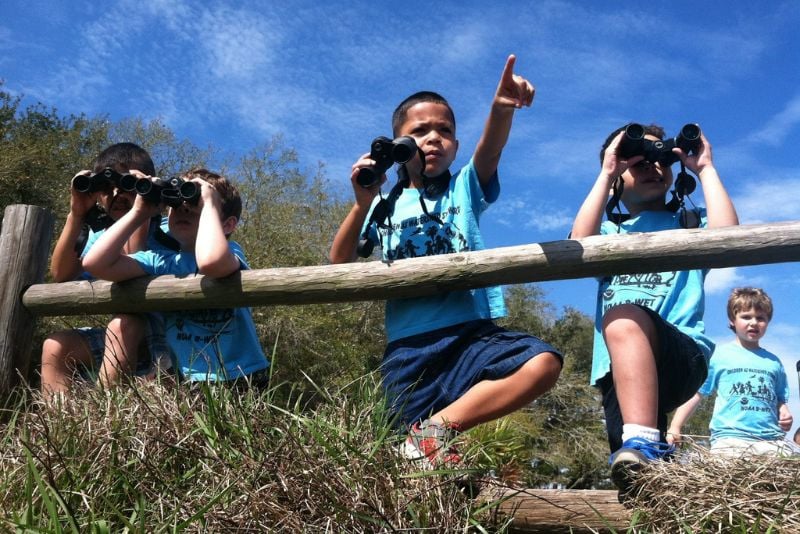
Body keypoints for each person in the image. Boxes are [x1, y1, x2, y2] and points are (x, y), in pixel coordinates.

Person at [329, 55, 562, 466]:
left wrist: (501, 108)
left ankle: (435, 431)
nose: (434, 138)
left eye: (445, 131)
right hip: (407, 346)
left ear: (455, 145)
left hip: (470, 333)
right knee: (395, 463)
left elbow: (490, 151)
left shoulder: (463, 190)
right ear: (398, 147)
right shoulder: (383, 206)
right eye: (419, 132)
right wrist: (361, 204)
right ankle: (426, 450)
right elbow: (339, 264)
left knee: (541, 362)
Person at [570, 123, 739, 494]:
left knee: (623, 316)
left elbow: (731, 236)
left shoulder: (687, 225)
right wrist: (607, 172)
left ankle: (645, 439)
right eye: (638, 162)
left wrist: (705, 168)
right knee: (635, 475)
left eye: (660, 159)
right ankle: (652, 467)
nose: (652, 167)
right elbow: (578, 245)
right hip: (619, 372)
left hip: (680, 355)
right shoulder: (610, 236)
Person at [83, 169, 269, 383]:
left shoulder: (231, 252)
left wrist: (209, 202)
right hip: (187, 378)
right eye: (176, 203)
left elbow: (209, 261)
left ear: (227, 224)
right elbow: (96, 264)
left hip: (242, 375)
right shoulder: (162, 261)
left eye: (193, 201)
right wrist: (139, 213)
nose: (184, 207)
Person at [40, 143, 173, 396]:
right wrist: (76, 213)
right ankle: (61, 426)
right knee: (56, 346)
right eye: (106, 187)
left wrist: (141, 207)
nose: (116, 194)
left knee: (125, 324)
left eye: (127, 185)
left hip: (168, 340)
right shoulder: (98, 236)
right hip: (121, 341)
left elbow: (134, 257)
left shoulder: (168, 230)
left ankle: (107, 418)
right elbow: (61, 274)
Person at [667, 288, 794, 456]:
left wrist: (784, 411)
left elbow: (779, 398)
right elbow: (697, 394)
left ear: (768, 322)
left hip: (770, 439)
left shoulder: (774, 362)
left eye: (760, 318)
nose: (754, 322)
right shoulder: (719, 356)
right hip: (730, 438)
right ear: (733, 320)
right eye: (746, 317)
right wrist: (675, 426)